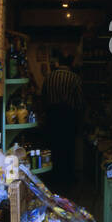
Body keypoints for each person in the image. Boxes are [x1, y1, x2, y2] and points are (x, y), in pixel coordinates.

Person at [42, 49, 84, 191]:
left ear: (58, 62)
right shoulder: (75, 78)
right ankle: (67, 177)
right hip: (68, 116)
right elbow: (79, 102)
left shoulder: (49, 77)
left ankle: (54, 175)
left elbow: (43, 97)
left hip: (52, 115)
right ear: (70, 63)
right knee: (68, 147)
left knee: (53, 146)